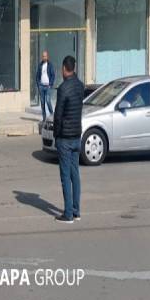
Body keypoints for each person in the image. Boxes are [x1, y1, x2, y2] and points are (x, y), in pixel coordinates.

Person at [53, 56, 84, 224]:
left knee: (65, 175)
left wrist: (56, 135)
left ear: (65, 68)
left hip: (65, 137)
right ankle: (76, 210)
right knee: (75, 174)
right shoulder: (80, 85)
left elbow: (58, 115)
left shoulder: (63, 88)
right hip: (76, 135)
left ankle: (68, 214)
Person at [35, 51, 55, 124]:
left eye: (45, 56)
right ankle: (44, 118)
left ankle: (53, 115)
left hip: (48, 86)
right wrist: (38, 84)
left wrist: (51, 84)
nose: (44, 57)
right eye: (43, 56)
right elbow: (37, 76)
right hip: (41, 86)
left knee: (48, 100)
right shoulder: (40, 65)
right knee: (42, 103)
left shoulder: (50, 65)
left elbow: (53, 75)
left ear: (47, 57)